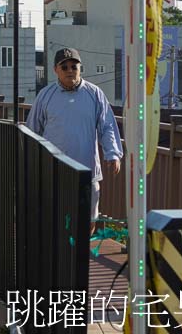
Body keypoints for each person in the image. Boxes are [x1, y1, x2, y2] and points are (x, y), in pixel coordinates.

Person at [25, 47, 123, 233]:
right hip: (54, 170)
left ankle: (82, 255)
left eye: (74, 66)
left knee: (89, 217)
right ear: (56, 70)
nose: (70, 70)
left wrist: (113, 154)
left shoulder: (94, 94)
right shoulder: (45, 95)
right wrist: (32, 162)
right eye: (65, 67)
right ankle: (59, 255)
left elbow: (107, 126)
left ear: (80, 68)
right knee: (55, 215)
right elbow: (33, 130)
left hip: (87, 169)